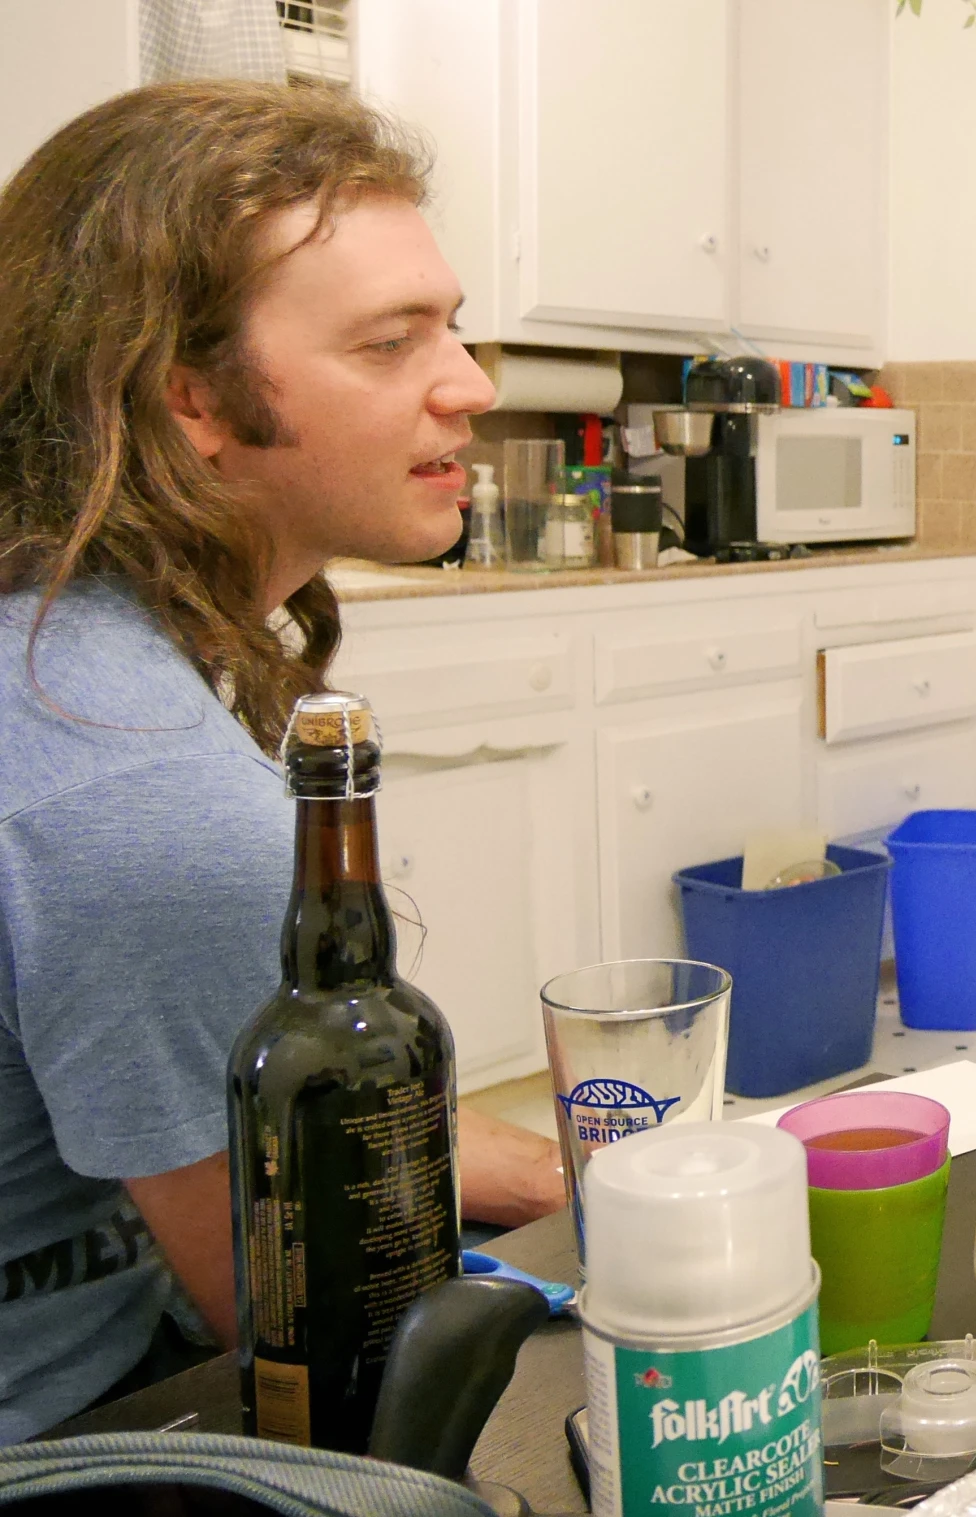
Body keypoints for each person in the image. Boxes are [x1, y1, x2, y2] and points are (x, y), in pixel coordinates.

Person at [0, 82, 566, 1443]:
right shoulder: (140, 792)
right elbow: (321, 1347)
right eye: (389, 343)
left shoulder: (61, 651)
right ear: (190, 396)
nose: (471, 384)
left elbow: (256, 1121)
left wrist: (577, 1166)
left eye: (453, 322)